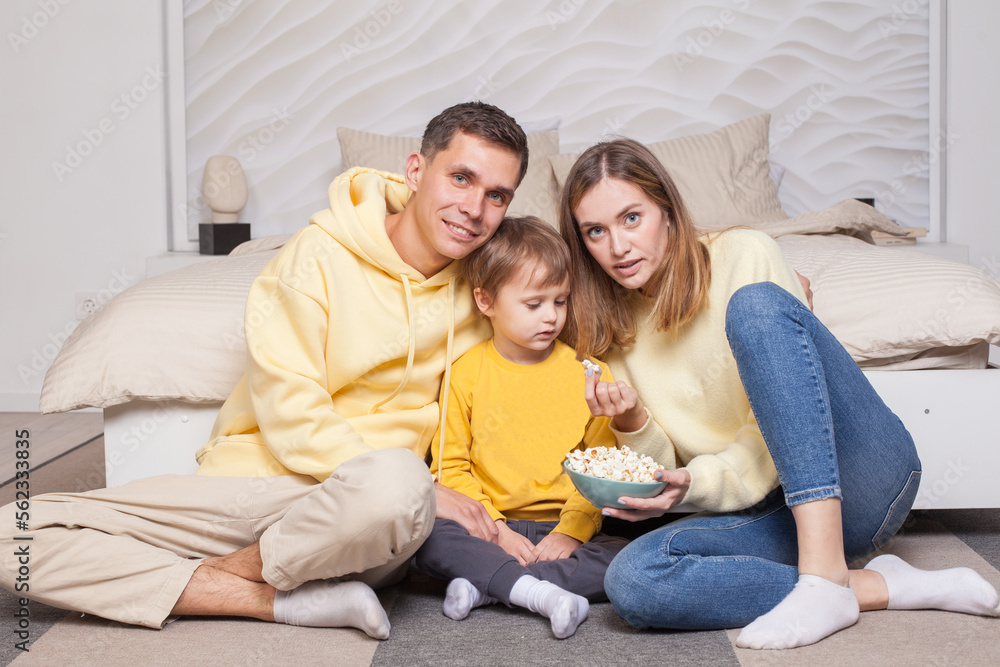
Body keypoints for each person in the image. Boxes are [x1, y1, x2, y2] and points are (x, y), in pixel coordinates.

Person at [0, 102, 529, 639]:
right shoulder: (316, 256)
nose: (474, 208)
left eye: (496, 196)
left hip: (369, 518)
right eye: (460, 178)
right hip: (250, 483)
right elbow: (291, 413)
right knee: (11, 534)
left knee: (399, 481)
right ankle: (267, 598)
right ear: (416, 171)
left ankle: (202, 581)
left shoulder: (491, 291)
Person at [557, 138, 1000, 649]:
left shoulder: (743, 254)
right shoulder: (608, 333)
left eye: (631, 217)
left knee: (757, 307)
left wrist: (703, 478)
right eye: (596, 231)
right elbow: (667, 466)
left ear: (668, 212)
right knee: (633, 581)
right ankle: (870, 584)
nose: (617, 247)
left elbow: (789, 413)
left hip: (858, 478)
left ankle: (823, 578)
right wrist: (635, 425)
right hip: (761, 510)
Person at [413, 216, 648, 638]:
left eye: (560, 302)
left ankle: (491, 585)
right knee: (427, 538)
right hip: (485, 527)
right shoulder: (464, 374)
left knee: (629, 557)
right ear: (486, 301)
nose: (551, 318)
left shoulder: (591, 374)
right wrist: (495, 530)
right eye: (534, 304)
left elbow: (601, 470)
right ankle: (532, 589)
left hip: (562, 529)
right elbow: (450, 468)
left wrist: (571, 533)